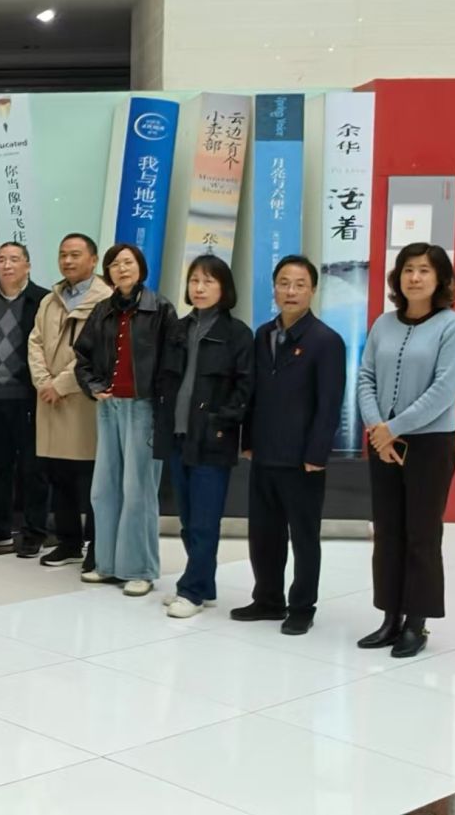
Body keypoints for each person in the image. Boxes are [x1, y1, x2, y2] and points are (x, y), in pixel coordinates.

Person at [356, 243, 455, 659]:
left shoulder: (453, 327)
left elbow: (444, 391)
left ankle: (416, 622)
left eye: (424, 270)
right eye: (408, 269)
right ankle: (390, 616)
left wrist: (393, 429)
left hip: (429, 444)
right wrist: (378, 429)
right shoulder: (383, 324)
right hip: (382, 441)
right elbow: (366, 377)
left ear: (440, 279)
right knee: (387, 531)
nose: (415, 278)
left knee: (421, 533)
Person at [231, 255, 346, 636]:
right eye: (283, 283)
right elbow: (252, 393)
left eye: (299, 284)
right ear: (274, 288)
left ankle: (301, 606)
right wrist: (248, 440)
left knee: (304, 536)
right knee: (264, 533)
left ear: (313, 290)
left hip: (301, 460)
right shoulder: (263, 334)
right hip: (264, 452)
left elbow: (329, 404)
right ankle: (267, 599)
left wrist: (316, 454)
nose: (291, 291)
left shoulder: (326, 341)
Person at [73, 242, 178, 597]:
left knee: (138, 491)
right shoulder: (102, 309)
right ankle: (106, 563)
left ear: (141, 268)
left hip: (144, 408)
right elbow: (82, 356)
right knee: (104, 489)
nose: (122, 268)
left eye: (128, 262)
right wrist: (94, 386)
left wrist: (163, 407)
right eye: (115, 264)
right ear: (108, 272)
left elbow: (172, 364)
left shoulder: (160, 308)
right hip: (109, 408)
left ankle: (139, 569)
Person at [157, 255, 253, 619]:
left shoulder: (237, 334)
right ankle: (204, 584)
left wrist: (221, 420)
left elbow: (244, 389)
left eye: (208, 281)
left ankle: (192, 591)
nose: (199, 288)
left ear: (224, 288)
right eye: (194, 280)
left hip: (213, 438)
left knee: (204, 521)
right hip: (179, 436)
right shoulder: (179, 329)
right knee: (187, 519)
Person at [28, 233, 111, 573]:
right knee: (58, 475)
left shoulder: (105, 299)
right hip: (50, 402)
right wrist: (43, 382)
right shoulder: (51, 299)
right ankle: (68, 542)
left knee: (92, 480)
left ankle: (97, 545)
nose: (68, 261)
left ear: (93, 259)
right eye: (63, 254)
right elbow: (34, 342)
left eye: (76, 254)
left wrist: (61, 385)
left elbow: (97, 353)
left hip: (84, 403)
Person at [0, 242, 50, 556]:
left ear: (27, 265)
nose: (7, 265)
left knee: (33, 468)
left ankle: (33, 531)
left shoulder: (43, 301)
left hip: (30, 398)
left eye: (14, 259)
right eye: (1, 259)